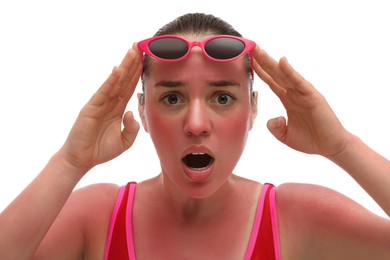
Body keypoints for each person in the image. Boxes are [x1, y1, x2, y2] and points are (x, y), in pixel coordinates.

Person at [0, 12, 389, 260]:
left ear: (253, 109)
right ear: (143, 112)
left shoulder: (297, 217)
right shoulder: (97, 216)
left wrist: (342, 146)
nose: (197, 123)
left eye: (223, 97)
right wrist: (69, 163)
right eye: (172, 97)